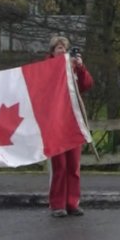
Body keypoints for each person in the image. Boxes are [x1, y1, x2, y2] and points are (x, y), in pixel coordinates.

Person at [47, 36, 93, 217]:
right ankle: (57, 204)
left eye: (65, 49)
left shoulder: (73, 67)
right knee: (60, 165)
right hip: (56, 121)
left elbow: (86, 84)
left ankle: (72, 202)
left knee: (73, 165)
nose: (62, 52)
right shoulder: (48, 67)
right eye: (59, 48)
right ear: (52, 51)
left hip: (73, 120)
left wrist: (80, 67)